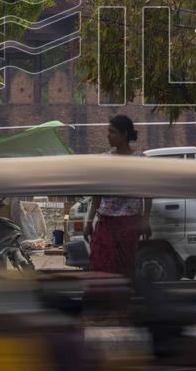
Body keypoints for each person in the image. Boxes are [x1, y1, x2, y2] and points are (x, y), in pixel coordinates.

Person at [83, 115, 152, 278]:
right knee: (100, 266)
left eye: (112, 132)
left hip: (129, 224)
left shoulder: (141, 160)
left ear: (125, 134)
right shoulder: (104, 160)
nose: (108, 135)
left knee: (123, 270)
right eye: (108, 131)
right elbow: (97, 195)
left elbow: (148, 194)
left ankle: (118, 302)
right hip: (106, 223)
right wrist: (89, 222)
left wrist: (145, 220)